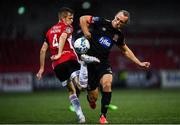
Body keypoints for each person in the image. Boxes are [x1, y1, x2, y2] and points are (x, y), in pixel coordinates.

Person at [79, 10, 150, 124]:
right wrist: (86, 32)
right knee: (93, 97)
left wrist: (139, 63)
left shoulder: (118, 35)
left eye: (121, 22)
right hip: (89, 63)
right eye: (117, 19)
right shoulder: (101, 22)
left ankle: (103, 116)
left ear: (124, 24)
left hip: (103, 63)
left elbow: (125, 50)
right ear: (115, 16)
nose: (118, 22)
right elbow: (83, 18)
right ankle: (91, 100)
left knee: (107, 84)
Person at [36, 7, 99, 123]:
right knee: (82, 86)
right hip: (69, 59)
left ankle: (81, 117)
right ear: (63, 18)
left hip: (57, 66)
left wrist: (41, 69)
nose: (71, 21)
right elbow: (63, 37)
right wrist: (60, 53)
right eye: (70, 18)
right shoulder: (68, 27)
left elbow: (42, 50)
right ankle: (84, 62)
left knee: (71, 90)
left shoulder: (49, 31)